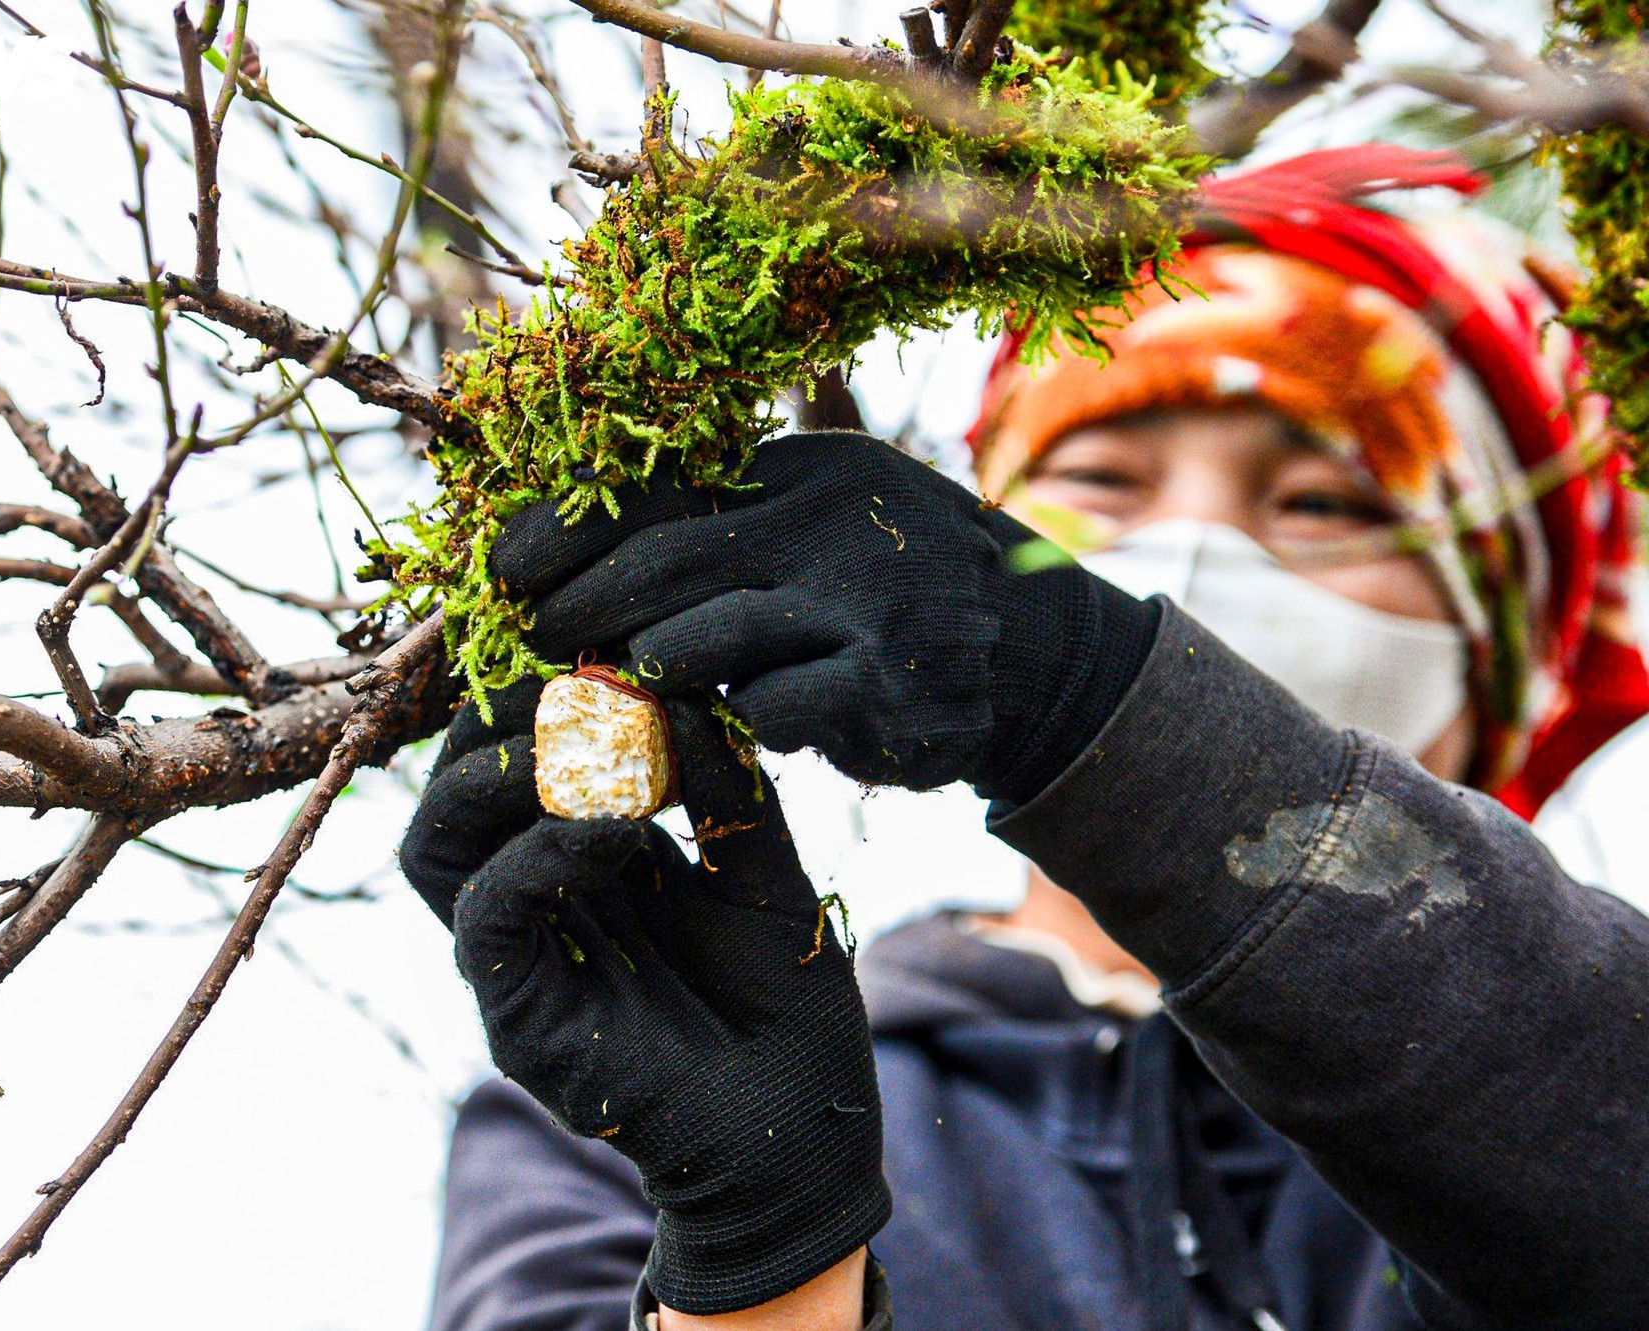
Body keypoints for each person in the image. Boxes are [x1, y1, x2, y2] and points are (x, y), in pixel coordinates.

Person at [400, 148, 1649, 1331]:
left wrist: (1095, 696)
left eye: (1320, 500)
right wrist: (757, 1263)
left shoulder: (1573, 1074)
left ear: (1502, 653)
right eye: (1102, 477)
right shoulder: (612, 1122)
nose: (1196, 555)